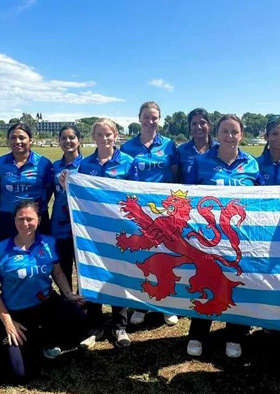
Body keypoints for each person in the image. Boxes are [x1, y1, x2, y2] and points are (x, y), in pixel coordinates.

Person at [0, 200, 88, 383]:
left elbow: (57, 271)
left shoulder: (48, 242)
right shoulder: (1, 250)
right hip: (16, 312)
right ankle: (12, 346)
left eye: (30, 219)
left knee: (80, 320)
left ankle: (45, 341)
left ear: (39, 219)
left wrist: (68, 294)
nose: (25, 224)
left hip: (46, 304)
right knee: (21, 375)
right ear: (14, 220)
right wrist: (8, 322)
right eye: (20, 219)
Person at [185, 114, 262, 358]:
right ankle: (198, 333)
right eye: (225, 131)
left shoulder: (251, 163)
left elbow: (261, 201)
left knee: (237, 280)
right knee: (208, 279)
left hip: (240, 237)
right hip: (209, 236)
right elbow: (188, 195)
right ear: (216, 134)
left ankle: (235, 334)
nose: (229, 136)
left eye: (234, 132)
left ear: (242, 134)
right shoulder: (201, 161)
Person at [73, 118, 138, 348]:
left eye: (108, 134)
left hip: (119, 230)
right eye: (100, 134)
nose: (104, 138)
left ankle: (119, 326)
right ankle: (95, 325)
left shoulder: (128, 163)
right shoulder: (84, 165)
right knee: (93, 272)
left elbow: (135, 197)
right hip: (92, 231)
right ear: (94, 138)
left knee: (117, 274)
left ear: (116, 135)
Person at [122, 101, 180, 327]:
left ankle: (168, 305)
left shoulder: (169, 146)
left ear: (159, 119)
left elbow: (175, 176)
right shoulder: (128, 147)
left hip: (164, 213)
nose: (150, 121)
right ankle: (141, 305)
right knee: (143, 256)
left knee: (166, 255)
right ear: (139, 118)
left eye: (154, 117)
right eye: (146, 117)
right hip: (140, 213)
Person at [0, 123, 54, 242]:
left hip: (35, 217)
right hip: (7, 217)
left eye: (22, 137)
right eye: (13, 138)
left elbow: (48, 189)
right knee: (8, 256)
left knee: (39, 256)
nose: (17, 141)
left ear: (30, 140)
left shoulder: (43, 163)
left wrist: (35, 207)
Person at [51, 125, 83, 288]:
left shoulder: (87, 165)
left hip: (81, 226)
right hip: (60, 226)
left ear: (79, 140)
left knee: (83, 270)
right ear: (59, 141)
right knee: (63, 269)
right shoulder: (54, 166)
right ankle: (68, 304)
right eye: (64, 138)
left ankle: (87, 306)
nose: (68, 141)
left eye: (72, 137)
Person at [177, 108, 217, 183]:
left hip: (213, 194)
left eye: (202, 123)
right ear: (190, 127)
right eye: (194, 124)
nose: (198, 127)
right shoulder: (181, 151)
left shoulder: (219, 149)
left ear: (209, 125)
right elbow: (176, 179)